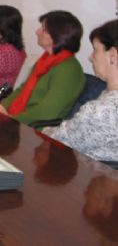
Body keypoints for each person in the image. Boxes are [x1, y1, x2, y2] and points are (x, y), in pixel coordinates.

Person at [43, 19, 118, 162]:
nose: (90, 57)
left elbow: (58, 140)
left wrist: (45, 130)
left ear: (113, 55)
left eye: (95, 50)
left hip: (91, 179)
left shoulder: (100, 111)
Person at [0, 10, 86, 128]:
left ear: (58, 36)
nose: (37, 32)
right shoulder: (45, 59)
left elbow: (46, 112)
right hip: (19, 121)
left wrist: (11, 119)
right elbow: (22, 89)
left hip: (36, 130)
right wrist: (2, 106)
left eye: (43, 29)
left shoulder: (69, 70)